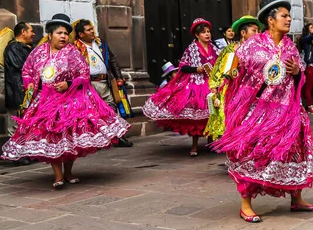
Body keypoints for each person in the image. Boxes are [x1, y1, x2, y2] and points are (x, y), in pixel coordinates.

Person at [212, 0, 313, 223]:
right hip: (259, 111)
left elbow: (299, 75)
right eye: (284, 16)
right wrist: (222, 89)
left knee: (296, 150)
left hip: (288, 109)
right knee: (253, 153)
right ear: (270, 20)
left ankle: (297, 198)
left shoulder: (290, 46)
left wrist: (296, 73)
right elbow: (232, 72)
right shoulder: (251, 46)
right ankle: (246, 204)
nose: (289, 19)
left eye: (289, 16)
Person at [1, 14, 130, 188]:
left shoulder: (72, 52)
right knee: (52, 137)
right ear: (50, 35)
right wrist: (31, 87)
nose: (63, 36)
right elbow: (27, 71)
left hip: (70, 100)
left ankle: (68, 172)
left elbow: (84, 75)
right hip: (45, 102)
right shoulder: (38, 52)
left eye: (65, 34)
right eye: (59, 33)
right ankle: (58, 175)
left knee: (69, 138)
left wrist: (68, 83)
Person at [143, 18, 220, 156]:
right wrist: (196, 69)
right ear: (197, 35)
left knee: (212, 113)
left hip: (213, 83)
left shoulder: (214, 49)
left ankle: (211, 141)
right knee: (197, 116)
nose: (207, 34)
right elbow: (183, 66)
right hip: (197, 84)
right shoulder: (191, 49)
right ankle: (195, 145)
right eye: (203, 32)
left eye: (208, 32)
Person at [73, 20, 133, 148]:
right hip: (88, 85)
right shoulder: (75, 47)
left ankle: (117, 137)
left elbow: (112, 61)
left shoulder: (101, 44)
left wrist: (118, 77)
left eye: (91, 29)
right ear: (81, 34)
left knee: (111, 109)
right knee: (92, 113)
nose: (92, 31)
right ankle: (97, 140)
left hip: (105, 83)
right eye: (88, 30)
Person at [206, 15, 262, 141]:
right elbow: (218, 69)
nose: (257, 34)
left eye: (258, 31)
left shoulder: (260, 51)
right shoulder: (230, 50)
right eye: (254, 30)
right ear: (243, 33)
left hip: (252, 91)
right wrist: (214, 87)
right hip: (231, 90)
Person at [3, 22, 35, 165]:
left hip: (26, 91)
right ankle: (15, 155)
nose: (33, 34)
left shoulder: (27, 48)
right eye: (31, 31)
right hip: (17, 90)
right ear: (23, 32)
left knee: (27, 122)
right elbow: (23, 67)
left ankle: (26, 152)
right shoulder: (13, 48)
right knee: (16, 123)